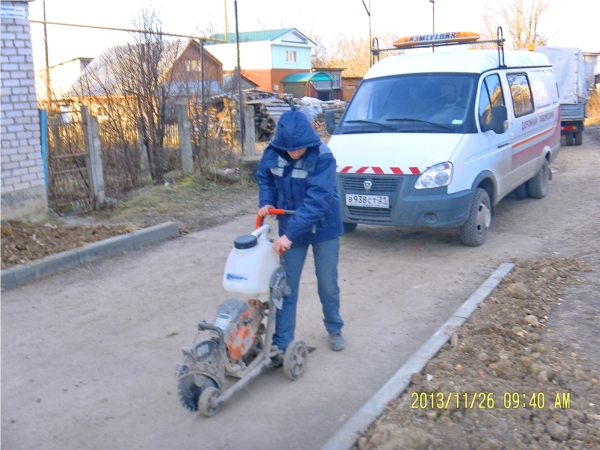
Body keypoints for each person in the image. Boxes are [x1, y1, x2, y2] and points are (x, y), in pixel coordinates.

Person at [256, 109, 345, 357]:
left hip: (323, 228)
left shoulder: (323, 156)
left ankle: (334, 328)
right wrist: (267, 200)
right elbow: (265, 179)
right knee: (286, 287)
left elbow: (318, 201)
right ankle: (282, 343)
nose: (295, 153)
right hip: (290, 228)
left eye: (300, 148)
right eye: (290, 149)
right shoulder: (273, 153)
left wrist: (289, 235)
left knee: (327, 284)